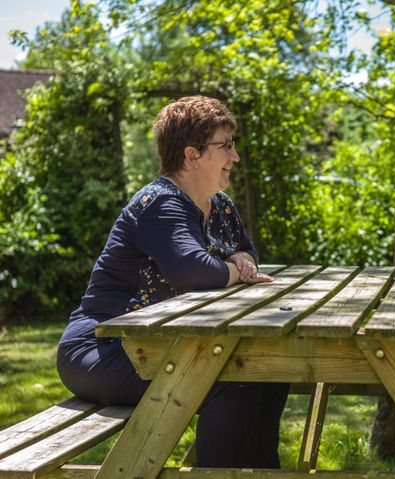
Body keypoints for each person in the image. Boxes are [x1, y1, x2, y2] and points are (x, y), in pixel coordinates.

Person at [57, 96, 289, 468]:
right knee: (232, 382)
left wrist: (239, 262)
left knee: (268, 370)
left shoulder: (221, 206)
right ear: (192, 155)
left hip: (161, 348)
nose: (235, 156)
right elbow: (195, 271)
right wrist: (234, 268)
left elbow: (247, 253)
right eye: (225, 146)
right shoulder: (160, 204)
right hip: (105, 350)